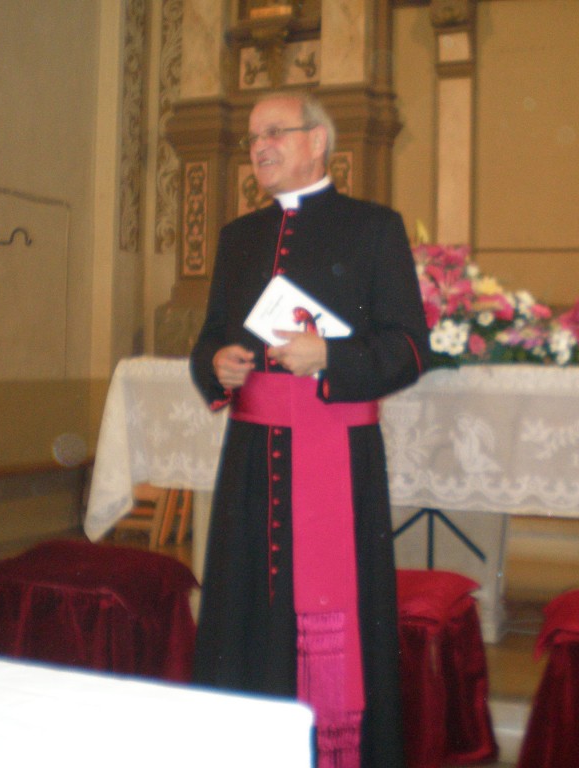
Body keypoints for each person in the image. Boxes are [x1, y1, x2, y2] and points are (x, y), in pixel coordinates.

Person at [190, 91, 430, 768]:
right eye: (252, 138)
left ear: (318, 140)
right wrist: (217, 365)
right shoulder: (238, 238)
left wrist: (332, 356)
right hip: (251, 459)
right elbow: (209, 338)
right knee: (246, 606)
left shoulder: (374, 228)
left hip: (336, 459)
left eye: (274, 132)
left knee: (329, 607)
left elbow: (410, 348)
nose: (258, 147)